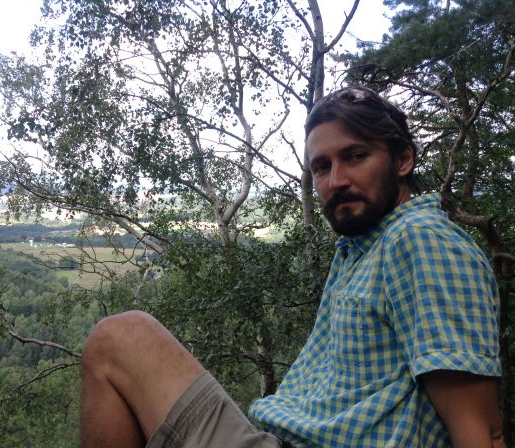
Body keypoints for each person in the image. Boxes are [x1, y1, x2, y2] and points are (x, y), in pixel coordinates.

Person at [80, 86, 504, 447]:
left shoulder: (423, 240)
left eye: (356, 156)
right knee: (121, 339)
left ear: (403, 160)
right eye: (322, 167)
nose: (336, 180)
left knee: (118, 340)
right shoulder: (362, 247)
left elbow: (481, 431)